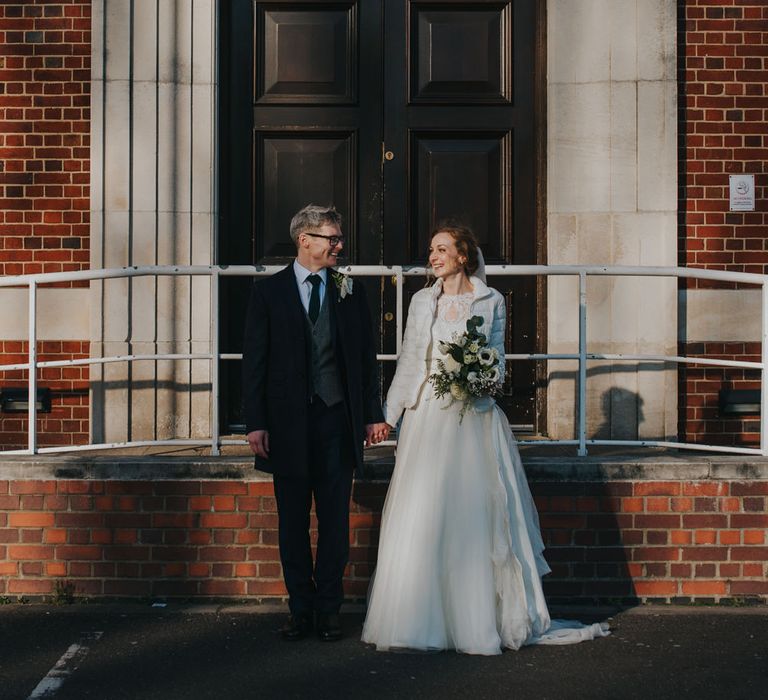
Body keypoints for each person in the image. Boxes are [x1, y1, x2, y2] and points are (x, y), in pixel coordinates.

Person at [362, 223, 609, 654]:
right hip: (428, 417)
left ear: (463, 256)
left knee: (476, 514)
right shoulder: (422, 301)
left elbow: (496, 360)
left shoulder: (490, 299)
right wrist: (389, 416)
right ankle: (422, 618)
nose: (433, 257)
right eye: (431, 250)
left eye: (442, 249)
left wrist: (478, 381)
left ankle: (478, 619)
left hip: (472, 417)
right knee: (424, 512)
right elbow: (409, 360)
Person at [242, 204, 389, 642]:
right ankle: (299, 611)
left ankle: (329, 611)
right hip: (286, 426)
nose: (338, 245)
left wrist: (371, 414)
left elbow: (364, 359)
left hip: (335, 421)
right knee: (292, 523)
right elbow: (255, 363)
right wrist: (256, 422)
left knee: (334, 523)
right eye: (331, 237)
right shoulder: (267, 293)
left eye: (338, 238)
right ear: (304, 239)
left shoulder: (350, 291)